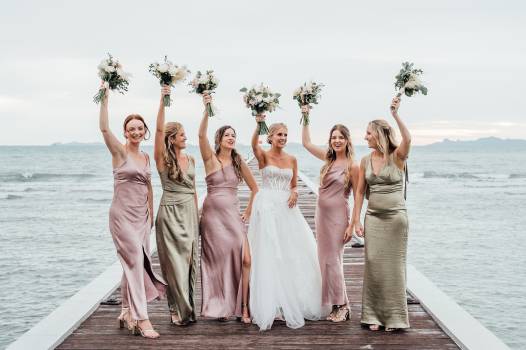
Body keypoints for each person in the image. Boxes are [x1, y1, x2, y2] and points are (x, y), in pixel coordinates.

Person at [98, 87, 166, 339]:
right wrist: (104, 98)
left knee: (133, 262)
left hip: (141, 217)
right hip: (121, 217)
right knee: (136, 262)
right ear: (125, 133)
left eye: (140, 128)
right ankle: (142, 318)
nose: (136, 132)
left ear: (144, 130)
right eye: (131, 129)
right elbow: (104, 129)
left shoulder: (146, 157)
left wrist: (150, 213)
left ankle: (126, 310)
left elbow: (149, 186)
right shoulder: (119, 152)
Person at [248, 115, 323, 330]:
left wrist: (295, 192)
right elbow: (254, 144)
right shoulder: (263, 156)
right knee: (271, 253)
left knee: (292, 252)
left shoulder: (292, 159)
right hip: (268, 207)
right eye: (279, 134)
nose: (283, 138)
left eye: (285, 135)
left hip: (287, 208)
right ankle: (272, 305)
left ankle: (295, 299)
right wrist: (258, 124)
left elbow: (294, 184)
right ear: (270, 137)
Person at [350, 96, 411, 331]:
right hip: (373, 218)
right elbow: (358, 193)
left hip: (396, 219)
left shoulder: (398, 156)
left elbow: (408, 138)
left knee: (394, 267)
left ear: (379, 134)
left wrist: (395, 114)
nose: (365, 137)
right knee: (373, 264)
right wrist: (356, 220)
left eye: (368, 133)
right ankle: (372, 315)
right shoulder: (365, 160)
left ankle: (394, 318)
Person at [198, 94, 257, 323]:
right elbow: (201, 135)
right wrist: (207, 108)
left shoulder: (238, 162)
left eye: (234, 135)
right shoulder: (210, 159)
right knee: (217, 261)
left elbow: (255, 188)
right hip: (212, 217)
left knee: (245, 259)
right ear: (219, 138)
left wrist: (249, 211)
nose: (231, 138)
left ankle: (244, 308)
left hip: (232, 216)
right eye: (227, 135)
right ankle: (220, 305)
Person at [300, 105, 359, 322]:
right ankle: (336, 304)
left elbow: (358, 197)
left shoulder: (353, 166)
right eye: (333, 137)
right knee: (325, 260)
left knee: (333, 260)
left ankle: (343, 304)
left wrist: (353, 224)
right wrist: (305, 115)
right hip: (321, 216)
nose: (336, 141)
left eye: (340, 137)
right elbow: (306, 143)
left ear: (347, 140)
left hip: (338, 217)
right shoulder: (329, 159)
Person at [154, 85, 199, 326]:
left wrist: (197, 216)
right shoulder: (162, 158)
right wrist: (163, 99)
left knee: (189, 262)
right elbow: (159, 128)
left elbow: (194, 190)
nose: (185, 137)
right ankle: (176, 309)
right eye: (182, 134)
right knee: (174, 265)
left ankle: (188, 308)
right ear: (171, 139)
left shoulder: (191, 160)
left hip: (189, 213)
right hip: (169, 214)